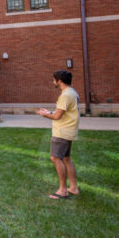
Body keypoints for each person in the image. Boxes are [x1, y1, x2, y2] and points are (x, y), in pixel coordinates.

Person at [37, 70, 80, 200]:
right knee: (66, 159)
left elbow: (57, 116)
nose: (53, 82)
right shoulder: (72, 92)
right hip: (68, 130)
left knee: (55, 158)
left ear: (59, 81)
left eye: (54, 80)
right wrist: (49, 112)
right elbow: (61, 112)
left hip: (62, 132)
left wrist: (44, 115)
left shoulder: (65, 95)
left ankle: (63, 190)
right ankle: (73, 187)